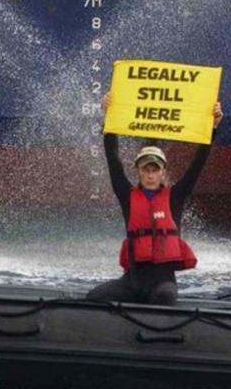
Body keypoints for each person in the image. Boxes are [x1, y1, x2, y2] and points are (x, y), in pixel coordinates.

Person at [86, 93, 223, 306]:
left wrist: (212, 127)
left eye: (155, 169)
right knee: (93, 297)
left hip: (162, 283)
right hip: (131, 282)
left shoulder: (175, 196)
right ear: (138, 172)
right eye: (146, 169)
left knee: (165, 298)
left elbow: (198, 164)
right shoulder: (127, 195)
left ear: (162, 172)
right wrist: (109, 116)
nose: (150, 174)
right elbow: (112, 159)